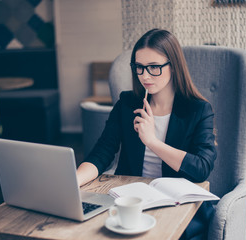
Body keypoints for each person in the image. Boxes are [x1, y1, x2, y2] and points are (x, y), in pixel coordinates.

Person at [77, 29, 217, 240]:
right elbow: (101, 154)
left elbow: (201, 168)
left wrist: (152, 141)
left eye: (154, 67)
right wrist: (72, 181)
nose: (145, 75)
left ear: (174, 66)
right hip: (131, 199)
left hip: (178, 205)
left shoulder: (198, 110)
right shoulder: (127, 103)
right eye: (139, 67)